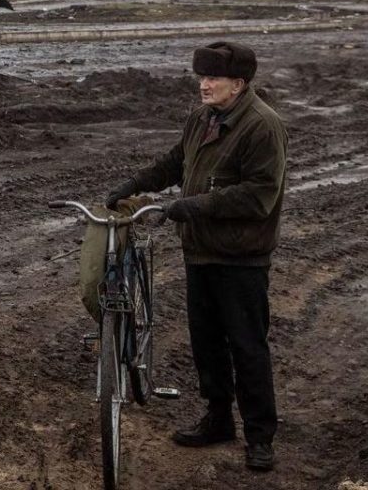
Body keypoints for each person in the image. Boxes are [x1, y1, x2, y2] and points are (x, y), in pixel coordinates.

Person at [105, 41, 287, 472]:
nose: (204, 85)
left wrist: (190, 207)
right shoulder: (203, 118)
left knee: (247, 346)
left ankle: (261, 436)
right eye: (202, 78)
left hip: (241, 256)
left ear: (238, 85)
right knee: (206, 342)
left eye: (213, 79)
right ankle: (219, 419)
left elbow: (259, 194)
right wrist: (131, 184)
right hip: (201, 251)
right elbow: (175, 163)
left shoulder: (263, 126)